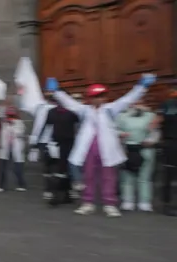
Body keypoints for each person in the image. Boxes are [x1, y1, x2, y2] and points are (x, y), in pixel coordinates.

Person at [45, 74, 156, 217]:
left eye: (101, 96)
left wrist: (141, 87)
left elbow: (127, 99)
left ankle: (110, 204)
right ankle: (88, 203)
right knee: (88, 176)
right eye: (95, 96)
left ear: (105, 97)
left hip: (107, 149)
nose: (98, 99)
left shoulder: (110, 109)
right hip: (88, 148)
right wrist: (56, 92)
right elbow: (69, 103)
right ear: (90, 98)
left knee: (109, 177)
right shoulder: (84, 110)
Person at [36, 94, 81, 205]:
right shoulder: (51, 112)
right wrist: (38, 143)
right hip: (55, 143)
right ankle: (57, 195)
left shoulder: (72, 112)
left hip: (69, 143)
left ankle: (65, 194)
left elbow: (79, 126)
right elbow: (46, 126)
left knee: (64, 170)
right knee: (57, 169)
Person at [117, 100, 158, 211]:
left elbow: (155, 131)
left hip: (145, 149)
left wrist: (151, 140)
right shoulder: (122, 116)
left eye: (140, 102)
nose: (137, 105)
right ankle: (127, 200)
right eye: (134, 102)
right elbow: (114, 129)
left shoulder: (151, 116)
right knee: (127, 177)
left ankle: (145, 201)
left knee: (145, 177)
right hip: (127, 148)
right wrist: (121, 134)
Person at [155, 81, 177, 216]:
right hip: (170, 142)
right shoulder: (166, 104)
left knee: (169, 174)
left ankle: (169, 204)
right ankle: (167, 204)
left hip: (170, 142)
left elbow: (157, 122)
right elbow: (156, 122)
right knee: (168, 174)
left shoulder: (166, 105)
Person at [0, 107, 27, 191]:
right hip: (5, 148)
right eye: (9, 116)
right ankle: (1, 185)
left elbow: (20, 133)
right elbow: (1, 135)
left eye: (12, 116)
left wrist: (12, 125)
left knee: (17, 168)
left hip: (16, 147)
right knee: (2, 168)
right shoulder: (3, 123)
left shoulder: (19, 123)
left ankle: (22, 184)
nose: (10, 117)